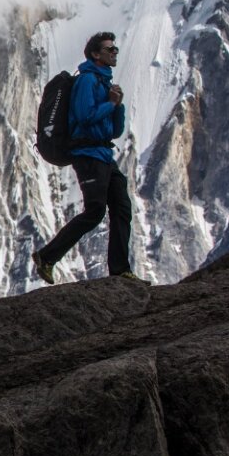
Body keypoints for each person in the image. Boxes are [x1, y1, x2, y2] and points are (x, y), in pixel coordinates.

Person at [34, 32, 145, 284]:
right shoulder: (86, 81)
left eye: (115, 49)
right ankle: (47, 257)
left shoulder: (104, 84)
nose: (115, 52)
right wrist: (110, 104)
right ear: (96, 54)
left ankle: (120, 270)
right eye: (110, 49)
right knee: (95, 210)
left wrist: (117, 105)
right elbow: (85, 116)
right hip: (87, 155)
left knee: (121, 207)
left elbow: (115, 131)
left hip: (103, 154)